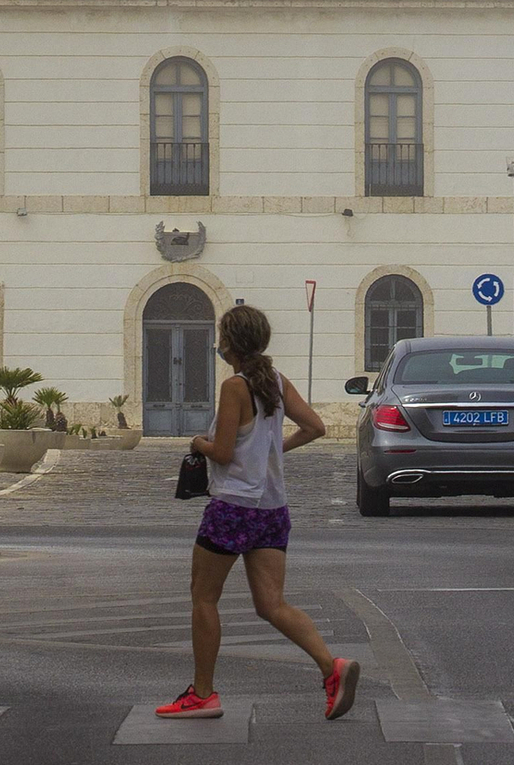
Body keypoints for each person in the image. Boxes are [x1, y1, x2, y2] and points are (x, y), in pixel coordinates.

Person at [156, 302, 359, 724]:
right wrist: (271, 451)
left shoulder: (235, 387)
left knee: (204, 598)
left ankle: (202, 695)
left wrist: (198, 443)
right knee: (271, 605)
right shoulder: (277, 382)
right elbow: (316, 427)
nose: (218, 343)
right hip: (272, 509)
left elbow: (225, 452)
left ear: (230, 343)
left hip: (232, 507)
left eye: (220, 337)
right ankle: (330, 667)